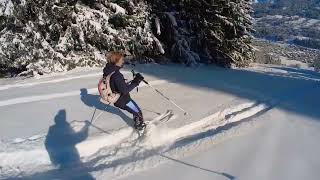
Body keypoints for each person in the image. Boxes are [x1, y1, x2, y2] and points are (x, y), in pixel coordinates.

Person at [103, 52, 146, 130]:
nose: (123, 61)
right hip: (123, 100)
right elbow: (124, 90)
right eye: (121, 60)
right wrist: (136, 82)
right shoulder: (116, 75)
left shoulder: (108, 70)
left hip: (117, 98)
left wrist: (128, 82)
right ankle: (140, 127)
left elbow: (116, 84)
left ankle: (137, 121)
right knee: (138, 112)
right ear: (116, 61)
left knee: (135, 111)